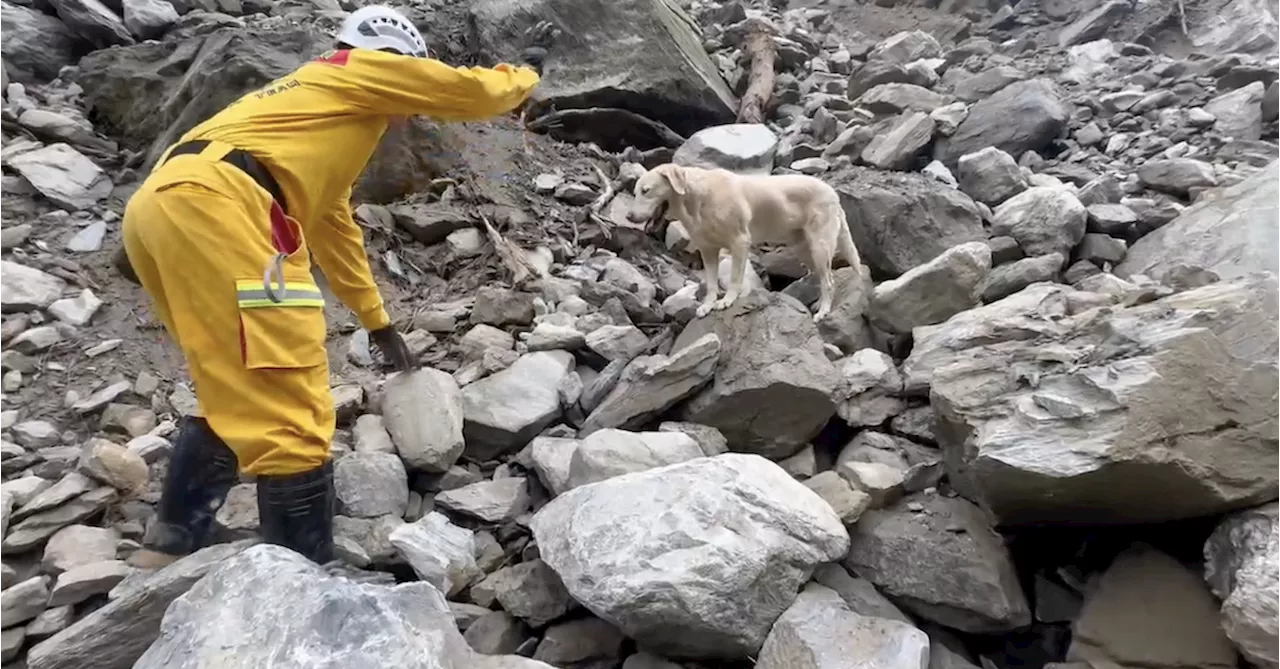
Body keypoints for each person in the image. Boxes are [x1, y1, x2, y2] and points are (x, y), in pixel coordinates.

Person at [118, 5, 550, 569]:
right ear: (396, 61)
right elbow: (471, 92)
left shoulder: (311, 118)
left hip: (162, 207)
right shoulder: (356, 67)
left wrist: (377, 321)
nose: (408, 112)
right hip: (226, 205)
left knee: (234, 382)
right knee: (294, 399)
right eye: (410, 80)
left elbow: (333, 230)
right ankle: (300, 584)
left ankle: (169, 545)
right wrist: (525, 75)